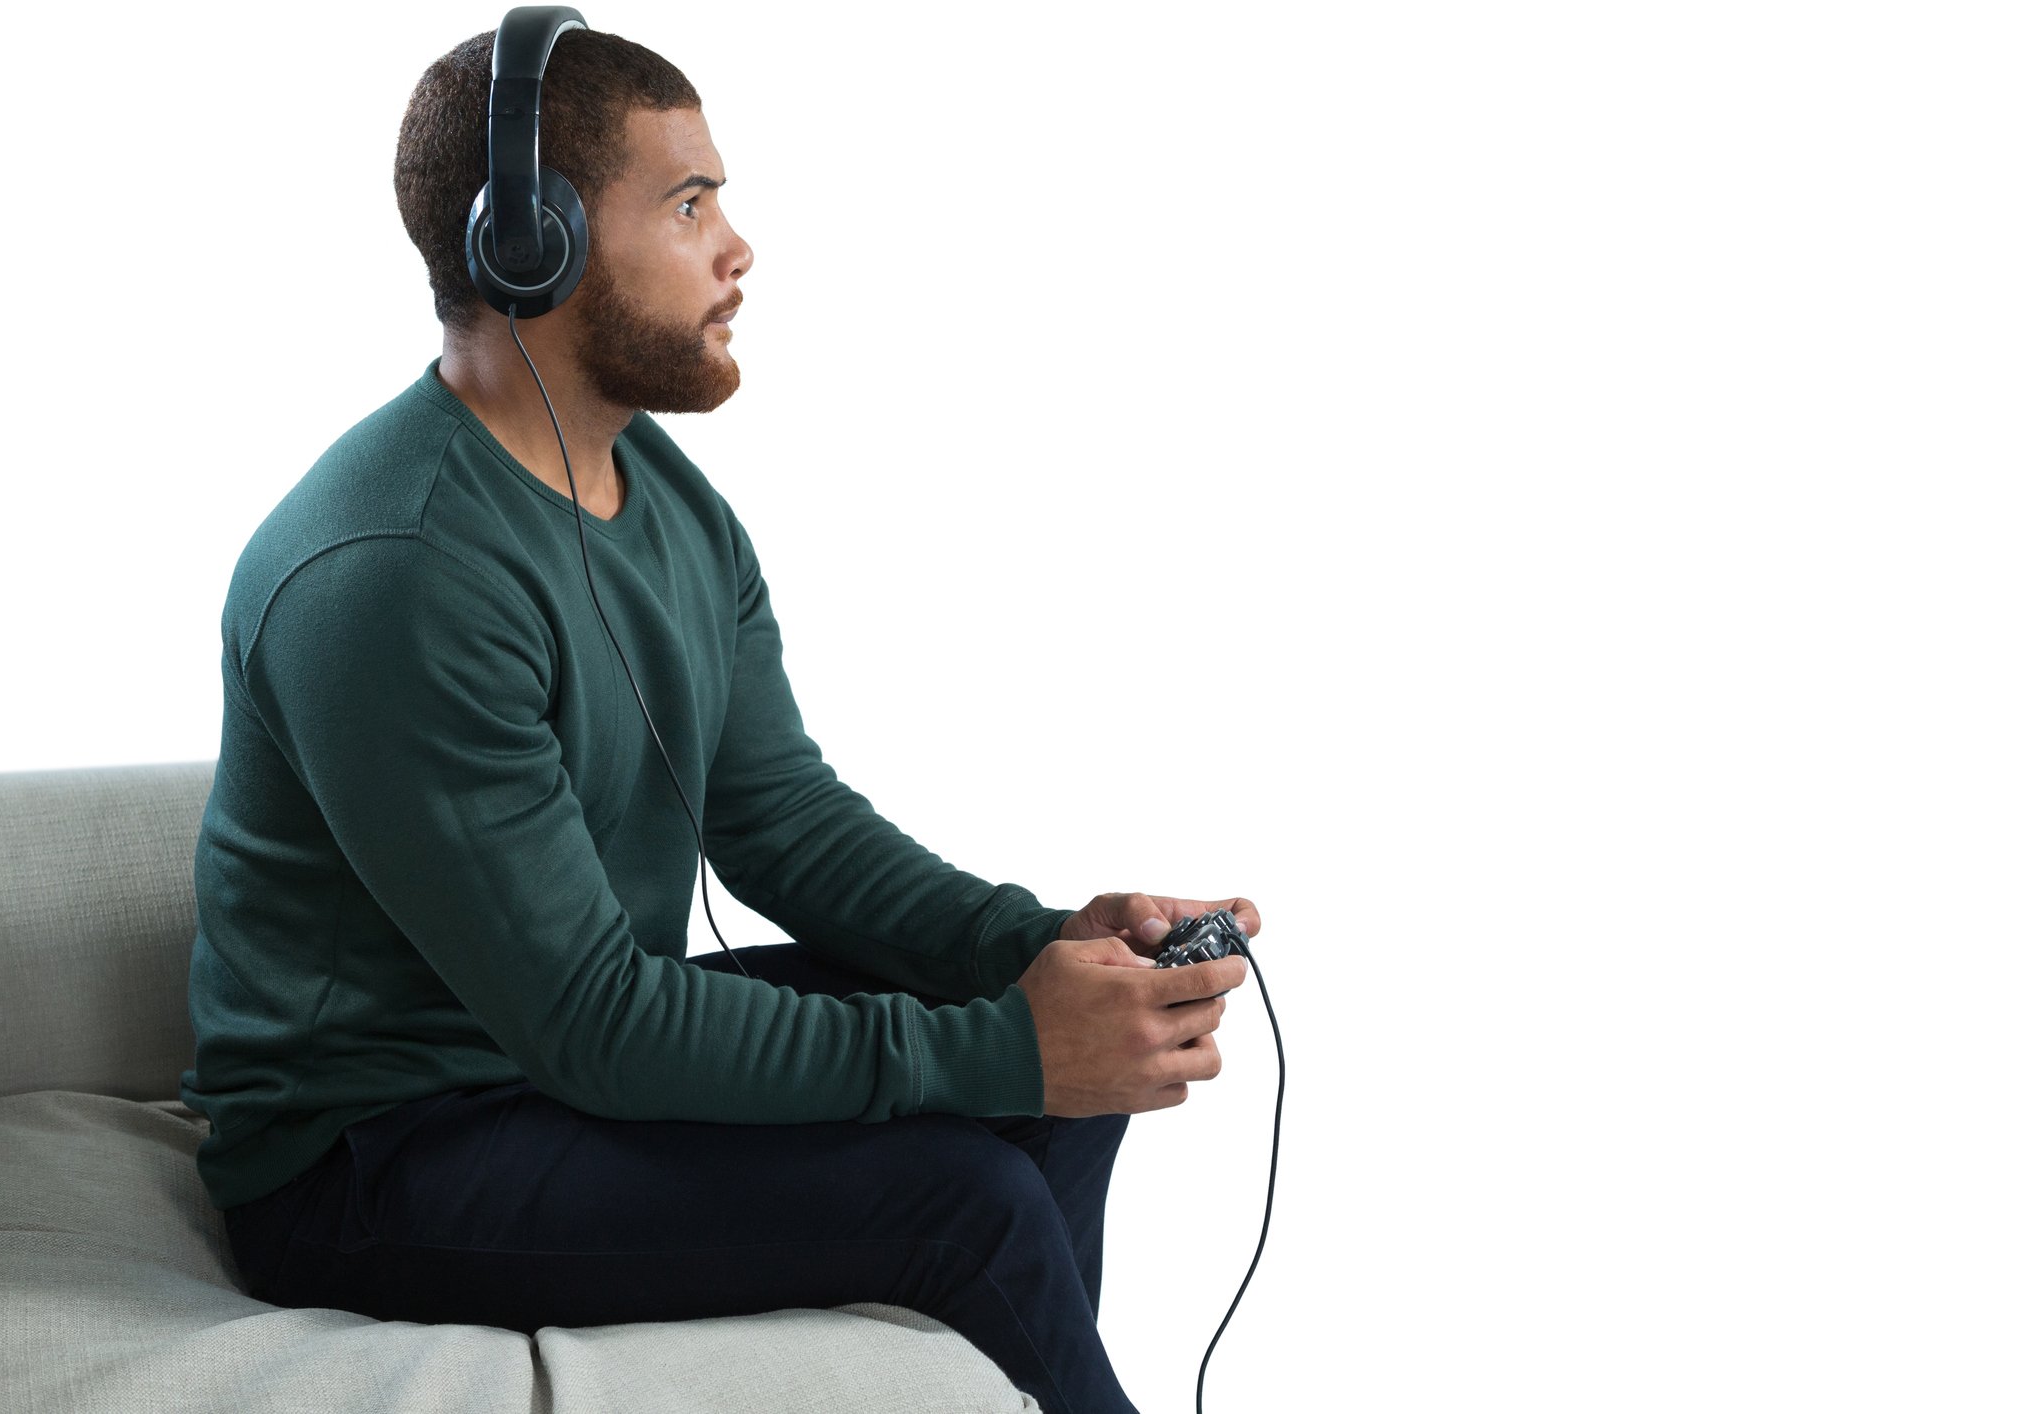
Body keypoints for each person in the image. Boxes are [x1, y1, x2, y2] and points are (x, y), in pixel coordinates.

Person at [178, 25, 1259, 1414]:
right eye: (688, 204)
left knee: (1044, 1056)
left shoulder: (661, 496)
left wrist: (1041, 947)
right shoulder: (398, 572)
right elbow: (596, 1023)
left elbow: (785, 824)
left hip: (540, 1067)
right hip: (375, 1152)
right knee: (967, 1186)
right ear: (534, 241)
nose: (737, 247)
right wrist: (1002, 1043)